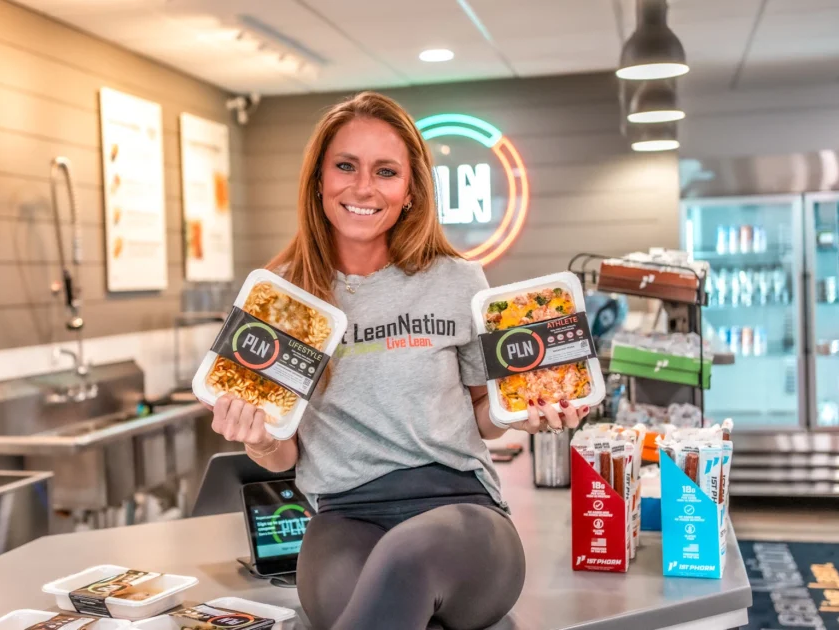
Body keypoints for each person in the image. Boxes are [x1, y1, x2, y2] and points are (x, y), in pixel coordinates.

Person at [208, 92, 586, 630]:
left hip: (462, 509)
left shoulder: (457, 281)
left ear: (410, 191)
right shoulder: (283, 298)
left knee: (407, 557)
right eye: (345, 166)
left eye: (386, 172)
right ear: (319, 180)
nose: (363, 187)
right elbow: (281, 451)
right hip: (343, 516)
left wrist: (517, 412)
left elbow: (484, 412)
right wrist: (261, 439)